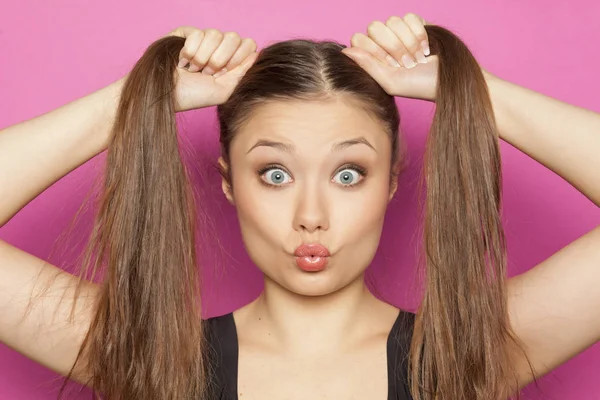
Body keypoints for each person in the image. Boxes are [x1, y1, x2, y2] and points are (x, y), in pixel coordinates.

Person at [0, 11, 599, 400]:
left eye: (348, 173)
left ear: (391, 182)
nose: (310, 214)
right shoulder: (151, 359)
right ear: (230, 182)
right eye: (275, 172)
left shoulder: (469, 355)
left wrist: (468, 91)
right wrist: (142, 100)